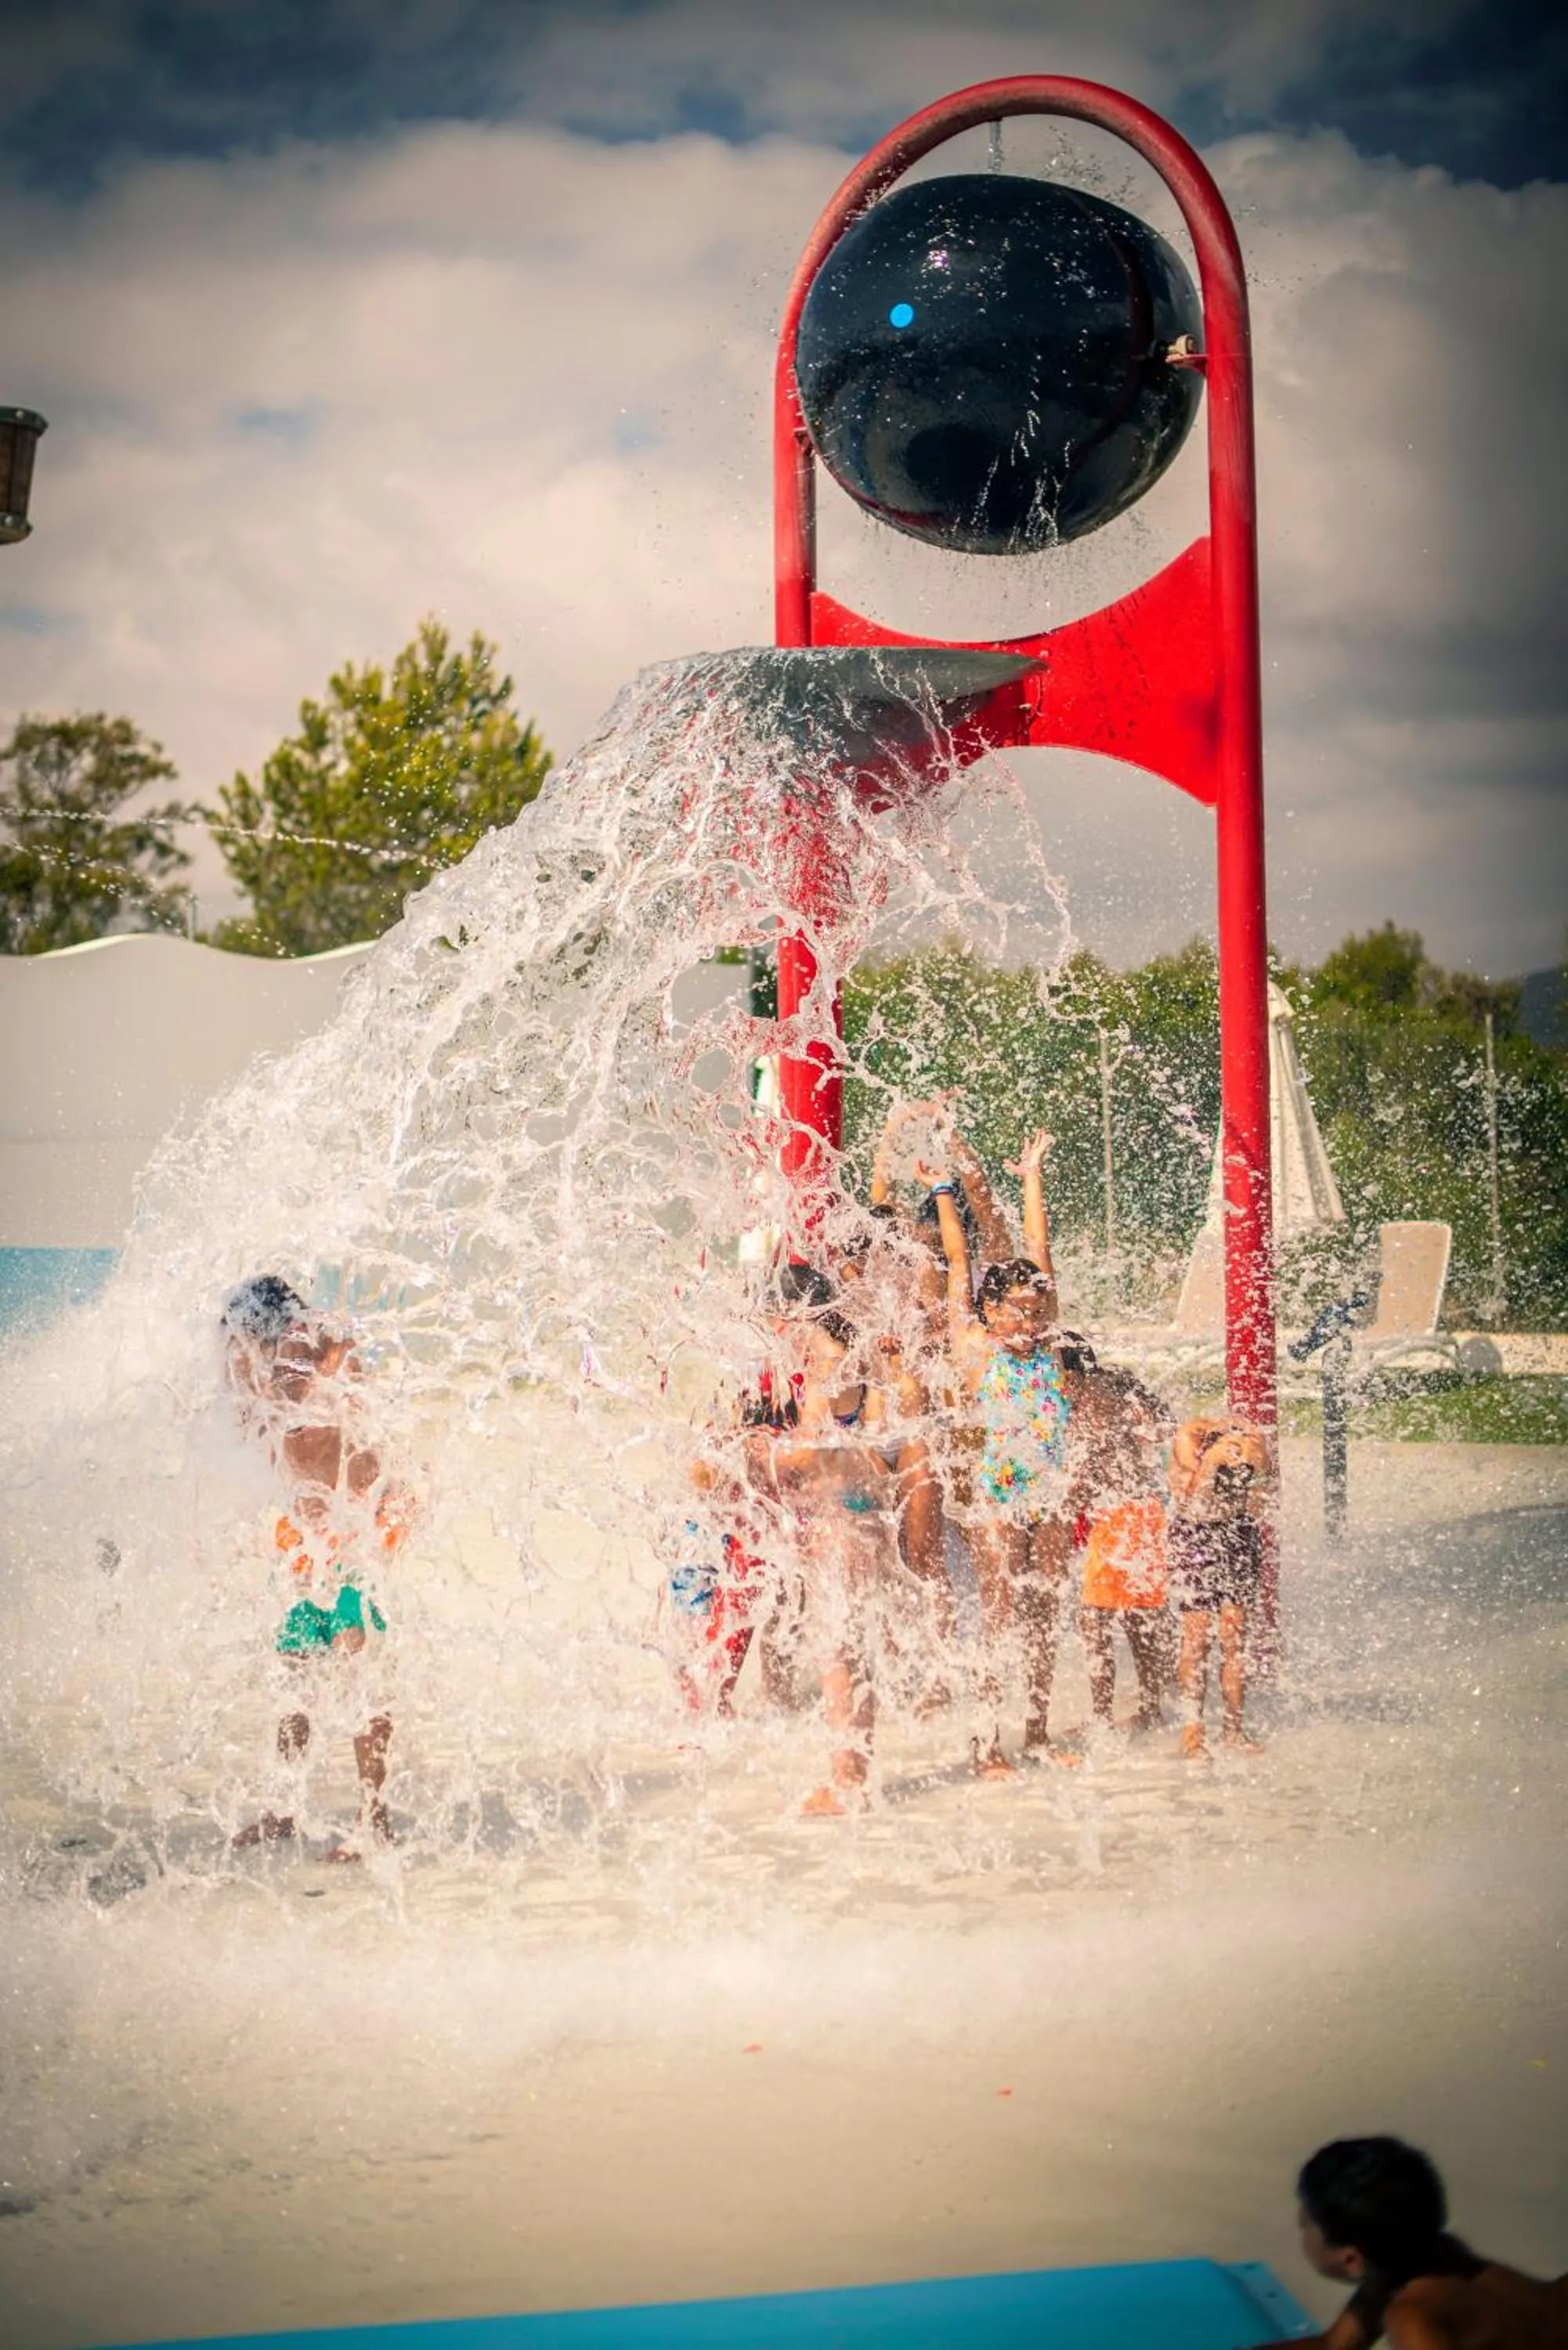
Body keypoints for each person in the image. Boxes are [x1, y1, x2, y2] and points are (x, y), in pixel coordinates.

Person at [222, 1274, 414, 1859]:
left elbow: (358, 1437)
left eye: (240, 1339)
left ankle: (374, 1821)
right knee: (297, 1665)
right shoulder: (267, 1372)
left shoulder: (326, 1360)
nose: (233, 1353)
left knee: (358, 1666)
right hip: (309, 1536)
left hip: (358, 1528)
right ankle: (285, 1809)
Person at [925, 1129, 1077, 1770]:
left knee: (1044, 1615)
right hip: (997, 1497)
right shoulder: (974, 1346)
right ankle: (985, 1744)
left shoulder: (1048, 1344)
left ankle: (1037, 1734)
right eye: (1015, 1312)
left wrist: (1032, 1178)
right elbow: (959, 1261)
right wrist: (942, 1191)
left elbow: (1039, 1252)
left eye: (1036, 1312)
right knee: (1002, 1613)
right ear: (989, 1310)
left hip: (1049, 1492)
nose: (1028, 1323)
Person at [744, 1307, 898, 1815]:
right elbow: (878, 1458)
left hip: (836, 1527)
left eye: (822, 1356)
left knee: (836, 1655)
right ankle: (859, 1776)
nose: (817, 1364)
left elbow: (806, 1454)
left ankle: (843, 1782)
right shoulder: (869, 1389)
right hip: (867, 1521)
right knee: (857, 1651)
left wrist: (757, 1449)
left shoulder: (821, 1386)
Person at [1259, 2135, 1568, 2348]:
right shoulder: (1418, 2254)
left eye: (1307, 2223)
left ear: (1352, 2260)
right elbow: (1332, 2345)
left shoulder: (1413, 2319)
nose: (1301, 2219)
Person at [1060, 1340, 1174, 1736]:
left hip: (1116, 1518)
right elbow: (1165, 1421)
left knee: (1095, 1621)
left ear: (1069, 1373)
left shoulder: (1087, 1401)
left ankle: (1101, 1719)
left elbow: (1091, 1462)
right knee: (1139, 1619)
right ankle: (1152, 1708)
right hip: (1143, 1510)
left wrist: (1062, 1506)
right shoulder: (1115, 1380)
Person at [1167, 1410, 1272, 1759]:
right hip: (1195, 1535)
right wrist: (1212, 1462)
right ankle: (1192, 1731)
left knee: (1234, 1637)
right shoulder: (1189, 1439)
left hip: (1238, 1534)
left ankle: (1233, 1730)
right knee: (1197, 1638)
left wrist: (1257, 1466)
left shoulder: (1254, 1444)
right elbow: (1190, 1499)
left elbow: (1259, 1506)